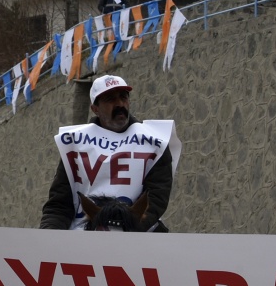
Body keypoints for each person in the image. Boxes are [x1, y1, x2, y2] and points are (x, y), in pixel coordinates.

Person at [38, 74, 179, 231]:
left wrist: (127, 227)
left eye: (123, 97)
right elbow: (59, 204)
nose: (120, 104)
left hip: (139, 232)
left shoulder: (155, 142)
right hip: (82, 236)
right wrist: (47, 239)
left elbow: (156, 199)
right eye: (110, 99)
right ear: (95, 109)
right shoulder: (75, 144)